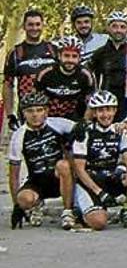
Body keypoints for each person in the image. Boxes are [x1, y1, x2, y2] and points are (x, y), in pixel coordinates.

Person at [71, 91, 127, 230]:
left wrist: (122, 167)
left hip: (110, 177)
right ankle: (78, 210)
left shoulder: (119, 131)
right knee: (99, 223)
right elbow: (79, 169)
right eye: (101, 110)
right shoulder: (84, 132)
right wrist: (99, 192)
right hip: (89, 183)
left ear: (115, 110)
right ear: (94, 113)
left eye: (109, 109)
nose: (105, 114)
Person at [7, 92, 76, 229]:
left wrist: (74, 136)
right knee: (24, 199)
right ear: (23, 113)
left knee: (63, 165)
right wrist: (17, 205)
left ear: (46, 111)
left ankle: (68, 211)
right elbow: (14, 175)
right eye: (30, 111)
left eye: (39, 110)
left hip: (60, 177)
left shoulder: (58, 124)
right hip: (37, 180)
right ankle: (36, 204)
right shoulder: (19, 135)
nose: (35, 115)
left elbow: (85, 128)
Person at [3, 10, 56, 131]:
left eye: (38, 24)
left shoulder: (53, 49)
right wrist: (10, 115)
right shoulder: (15, 53)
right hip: (28, 111)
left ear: (43, 25)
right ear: (24, 26)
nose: (34, 28)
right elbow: (7, 84)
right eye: (30, 24)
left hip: (53, 110)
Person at [35, 36, 94, 121]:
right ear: (59, 56)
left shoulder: (86, 75)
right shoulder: (45, 73)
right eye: (66, 55)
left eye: (74, 56)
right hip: (48, 119)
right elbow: (36, 102)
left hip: (73, 119)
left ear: (79, 58)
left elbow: (90, 103)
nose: (70, 60)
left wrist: (84, 124)